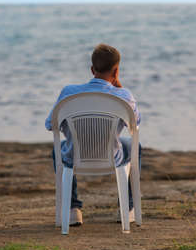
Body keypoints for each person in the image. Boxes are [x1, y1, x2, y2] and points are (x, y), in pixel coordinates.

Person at [45, 43, 141, 226]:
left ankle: (73, 209)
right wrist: (119, 87)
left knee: (58, 150)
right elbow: (136, 124)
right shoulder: (124, 95)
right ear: (116, 71)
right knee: (135, 146)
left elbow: (50, 125)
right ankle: (128, 209)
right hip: (112, 156)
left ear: (92, 69)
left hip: (75, 157)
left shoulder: (68, 93)